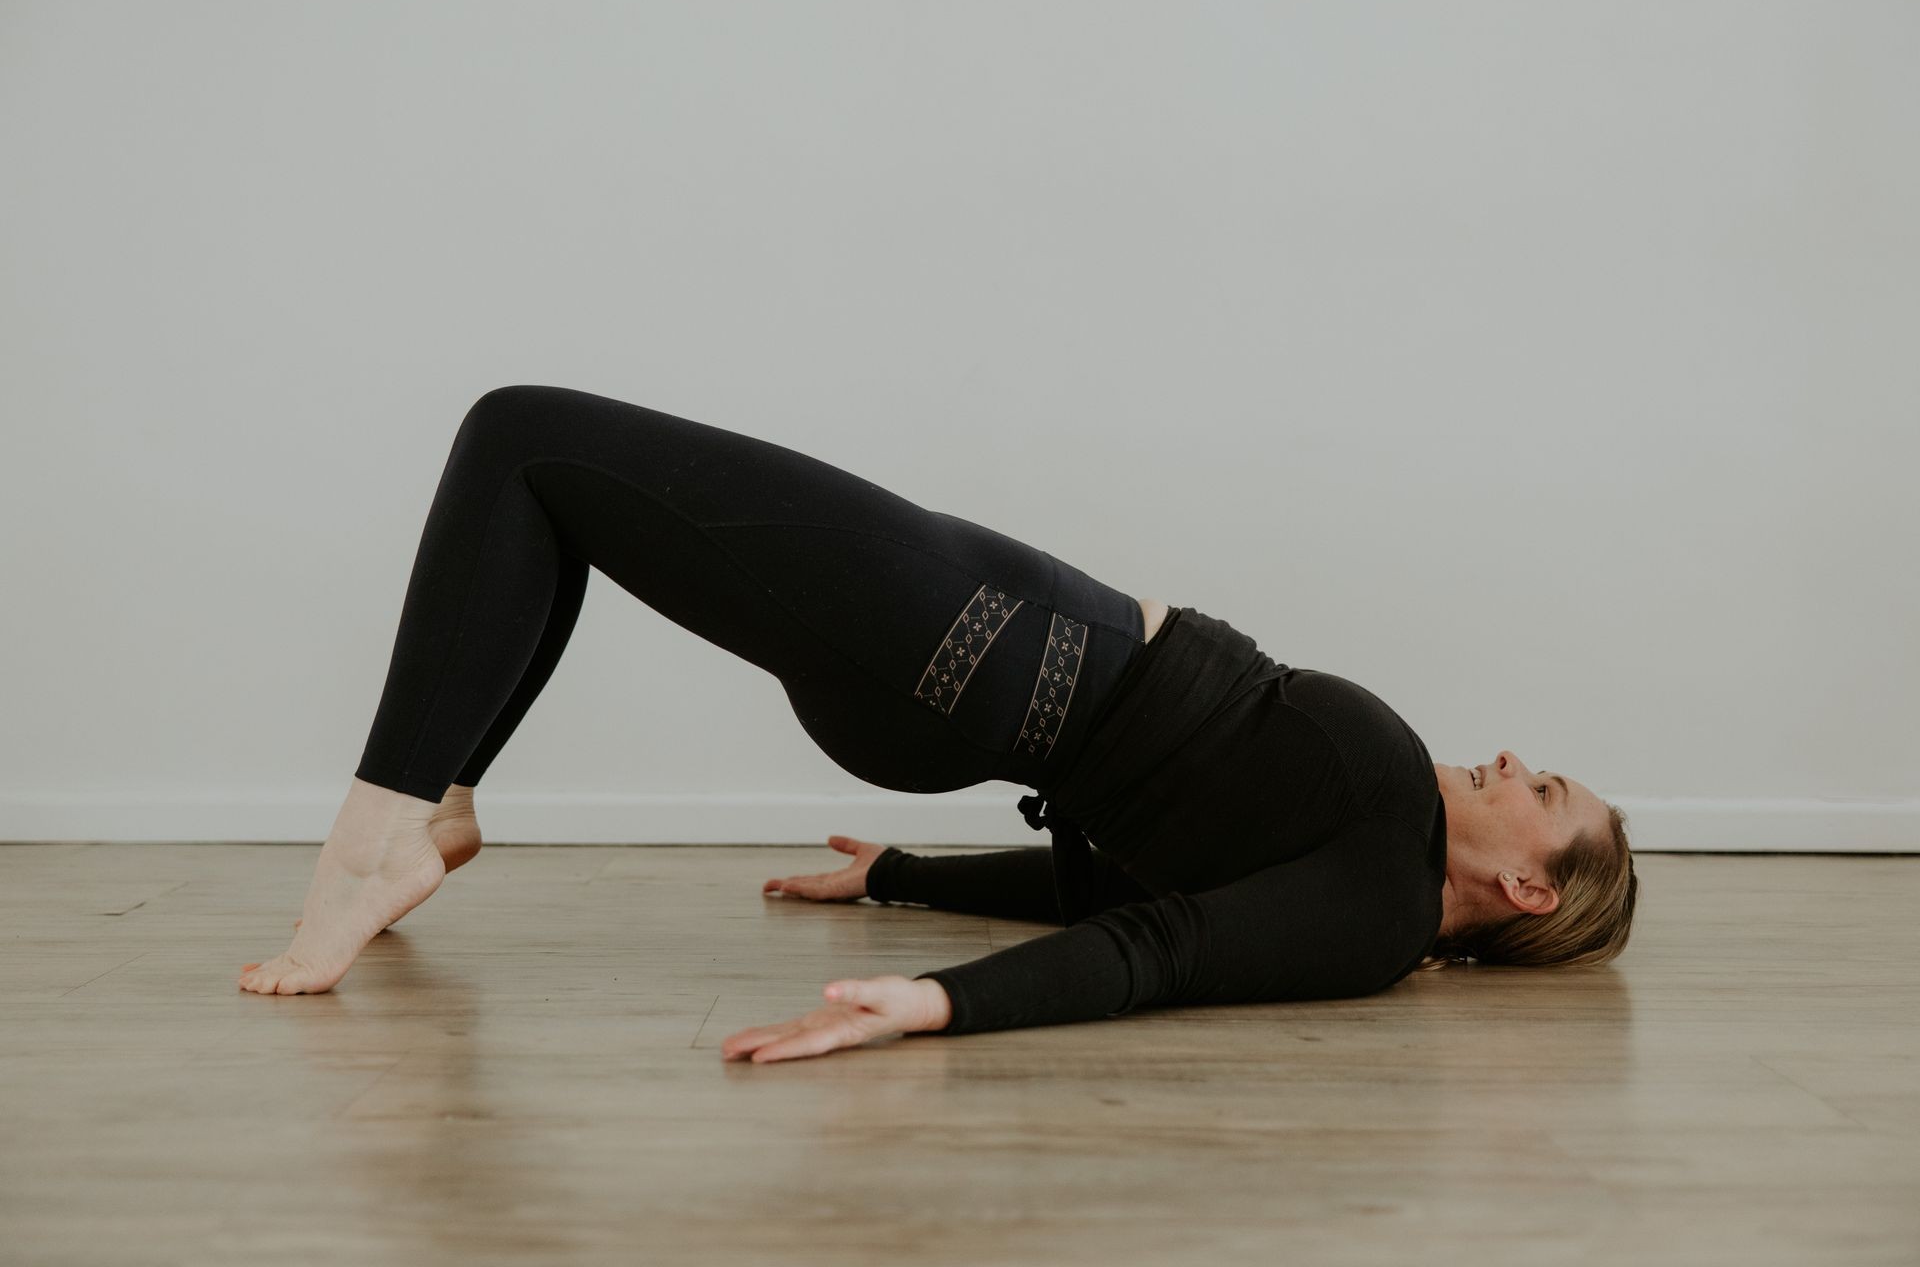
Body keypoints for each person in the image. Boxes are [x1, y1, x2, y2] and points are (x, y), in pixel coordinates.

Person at [237, 385, 1639, 1065]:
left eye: (1547, 788)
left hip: (964, 645)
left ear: (1527, 884)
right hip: (971, 653)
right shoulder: (1359, 882)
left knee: (519, 438)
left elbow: (1151, 953)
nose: (1516, 758)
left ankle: (384, 826)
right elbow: (1109, 884)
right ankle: (437, 803)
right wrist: (899, 878)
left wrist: (934, 1006)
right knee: (554, 486)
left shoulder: (1371, 910)